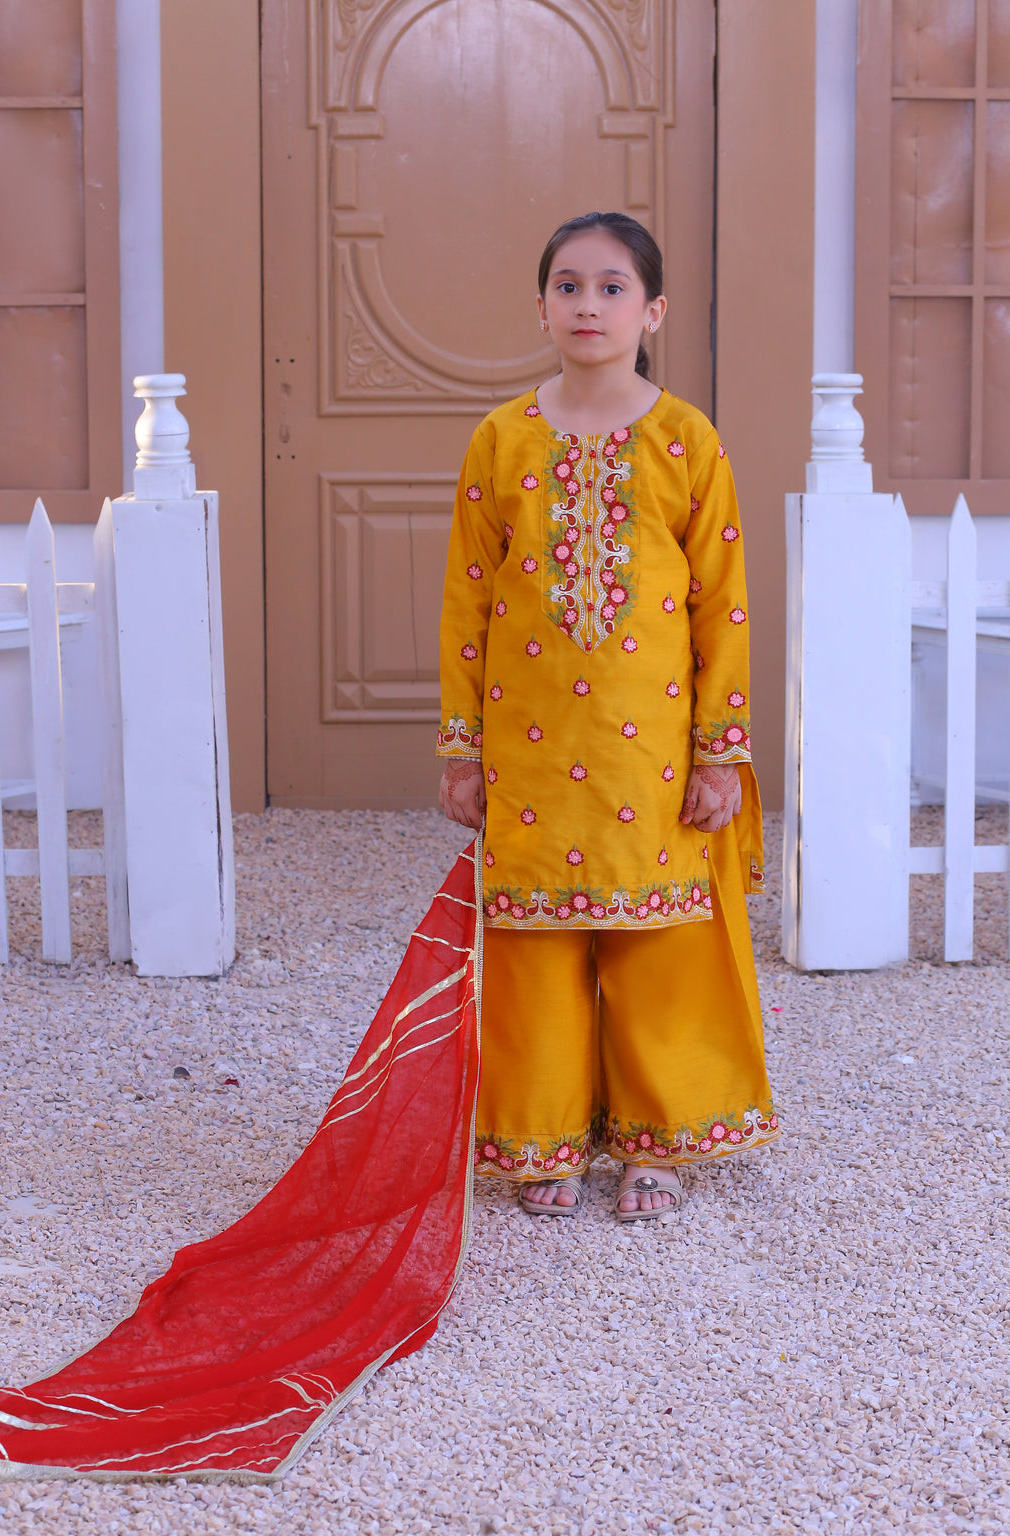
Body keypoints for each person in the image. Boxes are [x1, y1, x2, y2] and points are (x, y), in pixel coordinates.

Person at [437, 210, 778, 1223]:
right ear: (541, 307)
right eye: (569, 286)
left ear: (652, 311)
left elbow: (722, 603)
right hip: (531, 749)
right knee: (536, 939)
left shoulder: (685, 440)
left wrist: (719, 752)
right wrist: (461, 749)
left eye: (612, 287)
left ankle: (654, 1142)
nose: (589, 305)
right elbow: (466, 603)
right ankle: (540, 1138)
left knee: (654, 936)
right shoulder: (501, 439)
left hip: (652, 751)